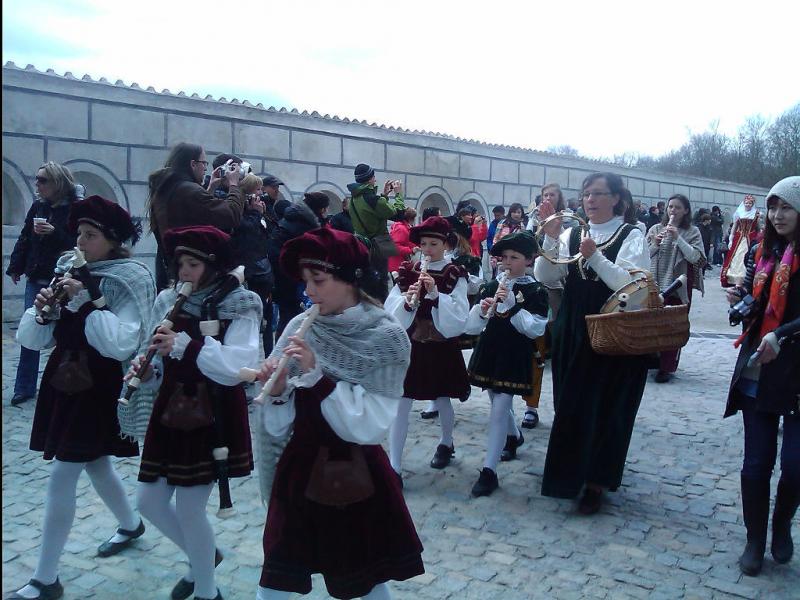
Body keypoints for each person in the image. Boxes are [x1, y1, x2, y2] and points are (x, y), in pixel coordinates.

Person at [255, 227, 424, 600]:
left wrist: (316, 377)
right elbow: (281, 424)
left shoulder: (386, 336)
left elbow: (369, 425)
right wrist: (278, 392)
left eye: (318, 280)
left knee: (364, 581)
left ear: (350, 279)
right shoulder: (299, 326)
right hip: (299, 469)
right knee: (275, 582)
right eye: (305, 281)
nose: (309, 291)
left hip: (354, 472)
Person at [10, 195, 155, 600]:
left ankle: (45, 578)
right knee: (95, 463)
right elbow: (34, 340)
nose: (81, 242)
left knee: (64, 472)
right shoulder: (68, 268)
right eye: (79, 234)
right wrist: (44, 311)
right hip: (64, 378)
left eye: (90, 235)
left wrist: (86, 300)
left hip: (100, 385)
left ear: (113, 240)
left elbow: (122, 343)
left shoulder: (131, 277)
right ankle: (131, 525)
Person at [132, 225, 260, 600]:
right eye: (180, 264)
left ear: (213, 265)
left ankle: (206, 590)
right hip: (171, 407)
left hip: (213, 411)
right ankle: (204, 556)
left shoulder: (239, 302)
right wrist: (147, 371)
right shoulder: (168, 299)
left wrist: (186, 346)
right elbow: (159, 364)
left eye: (193, 264)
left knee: (190, 509)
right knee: (149, 501)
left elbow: (240, 366)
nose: (184, 272)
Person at [535, 172, 650, 514]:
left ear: (616, 199)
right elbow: (547, 276)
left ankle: (597, 481)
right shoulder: (572, 232)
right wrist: (551, 240)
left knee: (605, 405)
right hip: (574, 325)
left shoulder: (632, 235)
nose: (591, 200)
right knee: (569, 402)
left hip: (611, 328)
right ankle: (567, 476)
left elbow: (633, 289)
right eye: (587, 194)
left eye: (599, 193)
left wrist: (596, 257)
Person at [723, 176, 799, 577]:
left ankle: (781, 523)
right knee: (756, 463)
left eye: (786, 207)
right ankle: (754, 540)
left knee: (796, 465)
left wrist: (781, 334)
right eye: (772, 207)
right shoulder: (761, 251)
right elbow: (756, 302)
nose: (777, 215)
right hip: (759, 365)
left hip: (796, 370)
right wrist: (741, 300)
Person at [465, 231, 549, 496]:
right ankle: (514, 436)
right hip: (490, 349)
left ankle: (489, 471)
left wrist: (513, 306)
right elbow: (471, 326)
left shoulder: (536, 291)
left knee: (500, 408)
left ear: (529, 260)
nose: (508, 263)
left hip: (514, 353)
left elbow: (534, 329)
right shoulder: (491, 286)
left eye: (515, 257)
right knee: (494, 397)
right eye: (505, 257)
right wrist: (482, 311)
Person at [386, 217, 470, 478]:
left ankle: (446, 442)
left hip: (440, 344)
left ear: (446, 244)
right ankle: (394, 465)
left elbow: (460, 313)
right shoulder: (408, 270)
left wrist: (435, 295)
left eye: (434, 244)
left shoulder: (454, 273)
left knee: (442, 397)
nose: (428, 249)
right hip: (412, 343)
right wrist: (407, 303)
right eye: (424, 244)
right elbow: (391, 308)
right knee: (402, 401)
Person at [6, 162, 80, 407]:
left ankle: (65, 383)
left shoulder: (75, 209)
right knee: (31, 330)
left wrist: (54, 232)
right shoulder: (38, 206)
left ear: (57, 182)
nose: (37, 184)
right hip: (36, 277)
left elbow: (78, 245)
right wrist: (16, 266)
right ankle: (24, 387)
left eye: (42, 180)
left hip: (62, 280)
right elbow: (25, 236)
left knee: (65, 334)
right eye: (37, 179)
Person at [147, 143, 245, 291]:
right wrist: (234, 184)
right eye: (203, 163)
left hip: (173, 267)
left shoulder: (167, 188)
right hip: (192, 272)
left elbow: (193, 215)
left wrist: (210, 188)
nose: (205, 168)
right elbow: (231, 215)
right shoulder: (188, 190)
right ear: (193, 164)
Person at [646, 194, 706, 383]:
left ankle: (667, 366)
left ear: (686, 210)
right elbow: (644, 256)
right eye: (670, 206)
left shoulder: (693, 231)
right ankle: (653, 359)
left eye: (678, 207)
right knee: (651, 322)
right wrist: (655, 243)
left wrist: (678, 238)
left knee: (673, 325)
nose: (673, 210)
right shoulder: (655, 228)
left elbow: (697, 258)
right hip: (655, 282)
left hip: (679, 283)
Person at [268, 193, 329, 337]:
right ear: (321, 209)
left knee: (287, 314)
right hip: (291, 276)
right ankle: (286, 347)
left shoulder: (293, 218)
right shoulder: (305, 225)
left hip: (281, 273)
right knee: (292, 317)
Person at [229, 173, 275, 355]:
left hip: (263, 273)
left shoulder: (259, 213)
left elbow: (267, 237)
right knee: (250, 321)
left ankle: (269, 356)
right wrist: (255, 213)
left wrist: (261, 214)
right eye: (257, 190)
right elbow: (249, 239)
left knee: (267, 318)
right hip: (249, 275)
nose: (261, 194)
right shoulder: (239, 215)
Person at [347, 163, 406, 302]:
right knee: (380, 284)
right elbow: (398, 214)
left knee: (367, 281)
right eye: (373, 177)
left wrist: (384, 195)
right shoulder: (372, 199)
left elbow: (373, 212)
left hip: (363, 245)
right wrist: (398, 194)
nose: (375, 180)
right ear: (369, 179)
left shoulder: (354, 199)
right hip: (378, 246)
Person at [722, 194, 762, 287]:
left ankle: (745, 279)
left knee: (747, 257)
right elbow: (735, 226)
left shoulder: (756, 214)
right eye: (746, 203)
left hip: (750, 238)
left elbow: (758, 227)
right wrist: (731, 238)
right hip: (739, 238)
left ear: (752, 204)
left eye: (750, 203)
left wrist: (759, 237)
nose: (748, 205)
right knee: (735, 257)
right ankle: (733, 279)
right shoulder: (739, 212)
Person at [388, 207, 418, 274]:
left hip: (400, 263)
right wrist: (411, 250)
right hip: (396, 264)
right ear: (411, 218)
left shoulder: (405, 227)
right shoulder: (401, 228)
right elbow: (395, 246)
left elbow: (406, 242)